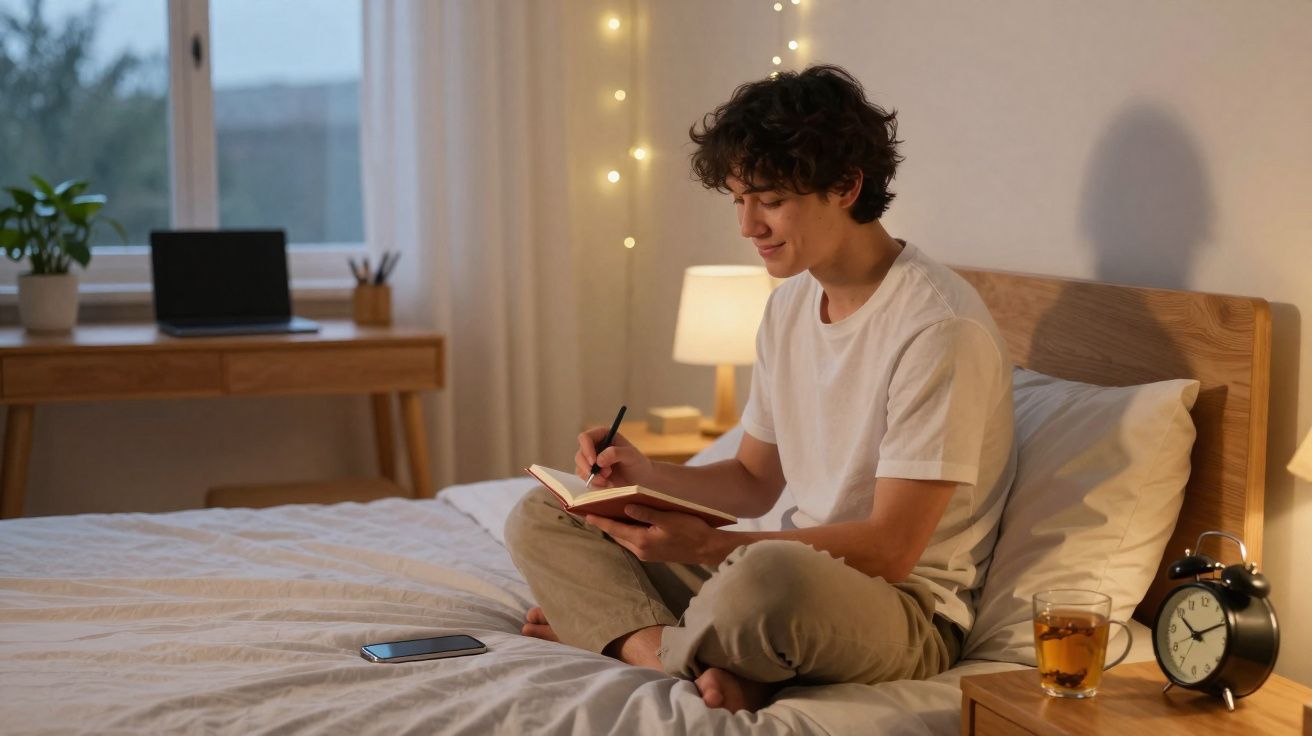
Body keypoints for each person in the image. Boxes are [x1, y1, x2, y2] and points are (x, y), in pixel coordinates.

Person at [504, 64, 1016, 714]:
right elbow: (753, 480)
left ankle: (632, 639)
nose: (748, 226)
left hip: (894, 605)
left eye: (770, 200)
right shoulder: (790, 306)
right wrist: (645, 473)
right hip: (777, 573)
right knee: (542, 514)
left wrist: (715, 547)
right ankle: (690, 652)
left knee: (767, 576)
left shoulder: (939, 325)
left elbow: (891, 549)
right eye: (738, 200)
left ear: (846, 185)